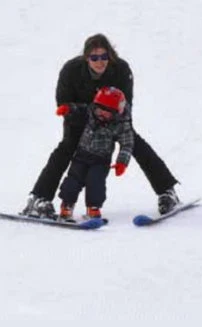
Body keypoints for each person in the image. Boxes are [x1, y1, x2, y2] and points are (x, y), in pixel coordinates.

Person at [21, 33, 180, 219]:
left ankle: (167, 192)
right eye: (94, 57)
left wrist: (109, 125)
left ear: (110, 56)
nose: (100, 62)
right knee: (66, 147)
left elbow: (126, 108)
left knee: (135, 143)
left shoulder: (121, 70)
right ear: (86, 57)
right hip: (79, 121)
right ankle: (39, 199)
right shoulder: (71, 70)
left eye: (104, 57)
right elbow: (63, 103)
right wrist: (88, 117)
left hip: (113, 121)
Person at [56, 87, 133, 220]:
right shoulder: (90, 112)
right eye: (99, 109)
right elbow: (78, 109)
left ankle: (93, 208)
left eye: (107, 112)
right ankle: (67, 206)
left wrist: (122, 162)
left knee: (95, 183)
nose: (101, 114)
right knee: (72, 181)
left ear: (116, 113)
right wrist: (67, 109)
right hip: (81, 156)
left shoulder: (120, 125)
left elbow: (127, 143)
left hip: (101, 161)